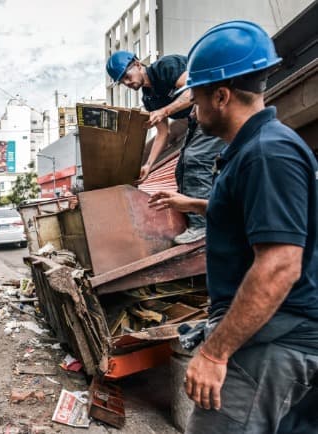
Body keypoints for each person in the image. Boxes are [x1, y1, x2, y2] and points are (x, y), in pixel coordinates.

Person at [147, 20, 318, 433]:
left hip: (271, 342)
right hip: (274, 333)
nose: (193, 110)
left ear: (221, 96)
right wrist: (194, 203)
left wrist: (215, 353)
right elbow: (253, 217)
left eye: (197, 100)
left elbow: (279, 265)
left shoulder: (267, 155)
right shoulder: (252, 152)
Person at [106, 50, 226, 244]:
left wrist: (165, 111)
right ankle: (207, 215)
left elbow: (192, 91)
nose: (127, 83)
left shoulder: (166, 67)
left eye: (127, 77)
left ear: (137, 63)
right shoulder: (149, 99)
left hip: (218, 108)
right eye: (122, 82)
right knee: (181, 170)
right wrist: (149, 165)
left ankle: (203, 225)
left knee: (195, 157)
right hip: (199, 121)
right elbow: (163, 133)